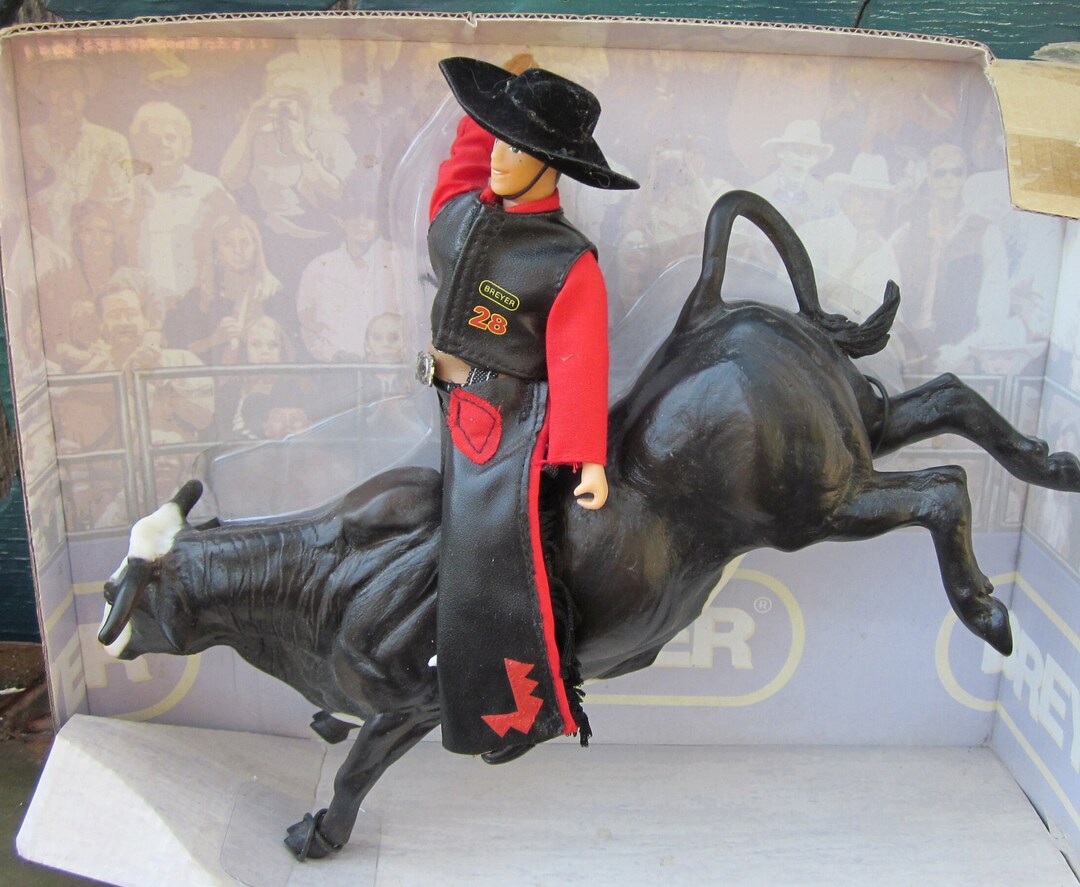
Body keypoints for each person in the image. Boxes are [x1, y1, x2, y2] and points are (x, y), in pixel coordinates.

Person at [420, 56, 638, 761]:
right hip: (457, 413)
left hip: (506, 426)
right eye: (497, 140)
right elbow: (453, 182)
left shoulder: (564, 259)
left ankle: (511, 713)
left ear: (551, 165)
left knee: (495, 557)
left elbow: (579, 363)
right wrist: (475, 120)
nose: (499, 156)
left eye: (514, 145)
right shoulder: (468, 217)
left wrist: (586, 455)